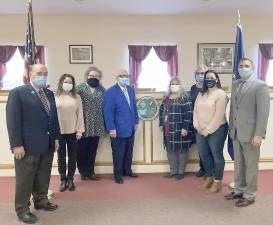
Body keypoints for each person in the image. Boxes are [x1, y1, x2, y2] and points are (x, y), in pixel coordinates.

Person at [6, 64, 60, 224]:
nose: (42, 76)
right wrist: (16, 145)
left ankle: (41, 200)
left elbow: (53, 119)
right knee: (25, 179)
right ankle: (22, 209)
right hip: (26, 146)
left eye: (45, 73)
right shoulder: (18, 93)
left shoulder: (49, 93)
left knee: (43, 175)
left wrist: (56, 138)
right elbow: (13, 121)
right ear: (30, 74)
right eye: (38, 73)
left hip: (47, 143)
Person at [225, 58, 270, 207]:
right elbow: (233, 109)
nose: (243, 68)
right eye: (241, 66)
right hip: (236, 133)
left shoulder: (260, 86)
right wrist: (231, 128)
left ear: (253, 68)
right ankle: (239, 189)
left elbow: (263, 113)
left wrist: (259, 134)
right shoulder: (236, 84)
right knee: (239, 164)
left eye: (246, 66)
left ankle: (250, 195)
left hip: (251, 134)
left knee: (251, 166)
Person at [193, 70, 228, 193]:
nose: (209, 80)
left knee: (216, 156)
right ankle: (209, 177)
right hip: (200, 130)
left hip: (217, 130)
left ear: (217, 79)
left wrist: (207, 130)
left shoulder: (221, 94)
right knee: (204, 155)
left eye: (212, 77)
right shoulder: (201, 93)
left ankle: (217, 182)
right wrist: (197, 126)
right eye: (207, 78)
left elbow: (219, 115)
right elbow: (195, 111)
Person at [104, 69, 139, 184]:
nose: (124, 78)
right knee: (118, 153)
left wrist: (136, 122)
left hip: (130, 127)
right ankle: (118, 175)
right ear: (117, 77)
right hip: (117, 129)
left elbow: (133, 107)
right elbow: (108, 112)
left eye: (126, 76)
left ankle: (127, 171)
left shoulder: (130, 90)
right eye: (122, 76)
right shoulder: (110, 92)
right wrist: (111, 128)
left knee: (129, 151)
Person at [159, 77, 193, 180]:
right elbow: (161, 112)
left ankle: (181, 172)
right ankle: (173, 171)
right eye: (172, 84)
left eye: (176, 84)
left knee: (182, 151)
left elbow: (189, 114)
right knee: (170, 151)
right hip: (168, 129)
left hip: (180, 129)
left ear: (180, 85)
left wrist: (185, 128)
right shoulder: (166, 98)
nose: (174, 86)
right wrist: (161, 123)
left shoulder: (185, 98)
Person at [55, 73, 85, 192]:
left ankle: (70, 179)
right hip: (59, 132)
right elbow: (51, 116)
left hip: (73, 132)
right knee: (61, 157)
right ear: (61, 83)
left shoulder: (77, 97)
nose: (68, 84)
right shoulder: (54, 96)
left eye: (70, 82)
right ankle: (63, 179)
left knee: (72, 156)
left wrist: (80, 131)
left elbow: (80, 115)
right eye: (66, 82)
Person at [76, 67, 105, 181]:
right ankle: (82, 171)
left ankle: (90, 172)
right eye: (91, 75)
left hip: (97, 125)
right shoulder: (79, 88)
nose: (94, 77)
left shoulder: (102, 90)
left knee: (92, 150)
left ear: (99, 78)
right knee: (81, 150)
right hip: (83, 124)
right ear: (87, 76)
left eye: (96, 76)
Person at [190, 65, 207, 178]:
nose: (200, 75)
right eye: (198, 73)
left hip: (207, 121)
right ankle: (202, 168)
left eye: (202, 73)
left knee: (209, 147)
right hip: (196, 122)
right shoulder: (193, 88)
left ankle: (209, 170)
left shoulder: (209, 87)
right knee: (201, 148)